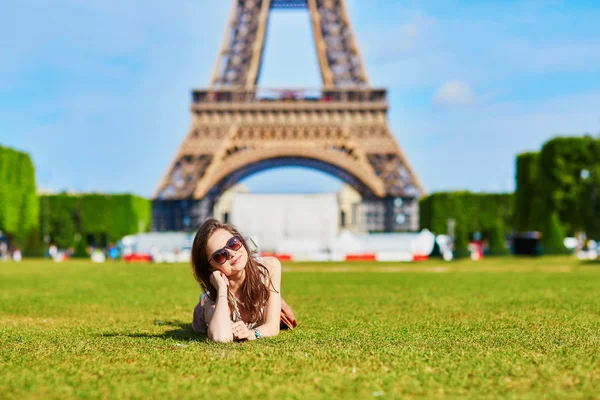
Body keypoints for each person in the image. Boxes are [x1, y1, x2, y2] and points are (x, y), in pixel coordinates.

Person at [191, 218, 292, 342]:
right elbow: (221, 337)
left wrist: (251, 333)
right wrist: (222, 290)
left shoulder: (269, 267)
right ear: (211, 268)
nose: (232, 253)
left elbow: (272, 325)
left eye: (233, 243)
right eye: (220, 255)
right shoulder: (212, 300)